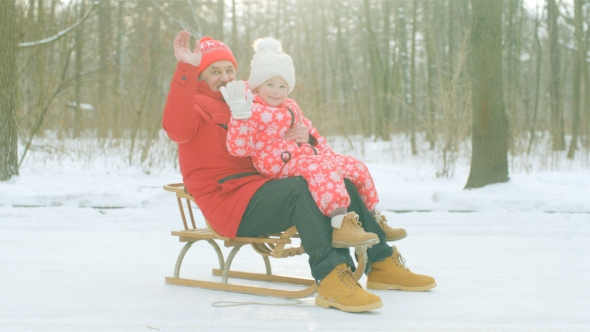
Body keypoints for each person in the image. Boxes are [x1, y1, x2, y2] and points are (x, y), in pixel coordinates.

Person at [162, 31, 436, 313]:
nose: (225, 77)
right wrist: (186, 67)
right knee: (301, 189)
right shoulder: (192, 104)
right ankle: (332, 276)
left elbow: (278, 132)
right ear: (199, 75)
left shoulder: (249, 98)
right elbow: (176, 128)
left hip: (262, 186)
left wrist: (306, 137)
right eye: (214, 71)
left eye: (229, 70)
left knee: (336, 179)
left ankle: (382, 263)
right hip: (228, 201)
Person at [223, 37, 394, 249]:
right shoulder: (251, 109)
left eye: (282, 86)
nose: (276, 91)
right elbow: (239, 148)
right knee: (321, 167)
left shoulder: (291, 106)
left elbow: (313, 133)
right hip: (278, 163)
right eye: (270, 84)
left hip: (304, 155)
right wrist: (240, 116)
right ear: (257, 85)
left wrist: (322, 149)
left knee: (355, 166)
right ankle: (341, 223)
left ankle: (374, 220)